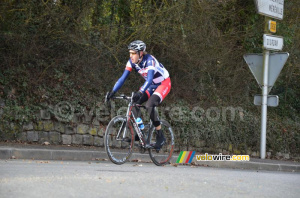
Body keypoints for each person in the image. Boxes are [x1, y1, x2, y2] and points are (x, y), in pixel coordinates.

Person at [106, 40, 171, 150]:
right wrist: (113, 92)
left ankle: (160, 135)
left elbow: (150, 79)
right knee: (134, 103)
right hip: (152, 85)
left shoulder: (150, 60)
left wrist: (140, 92)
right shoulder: (131, 62)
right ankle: (139, 132)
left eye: (133, 53)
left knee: (149, 105)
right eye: (130, 53)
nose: (131, 56)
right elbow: (123, 78)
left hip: (163, 83)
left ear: (141, 53)